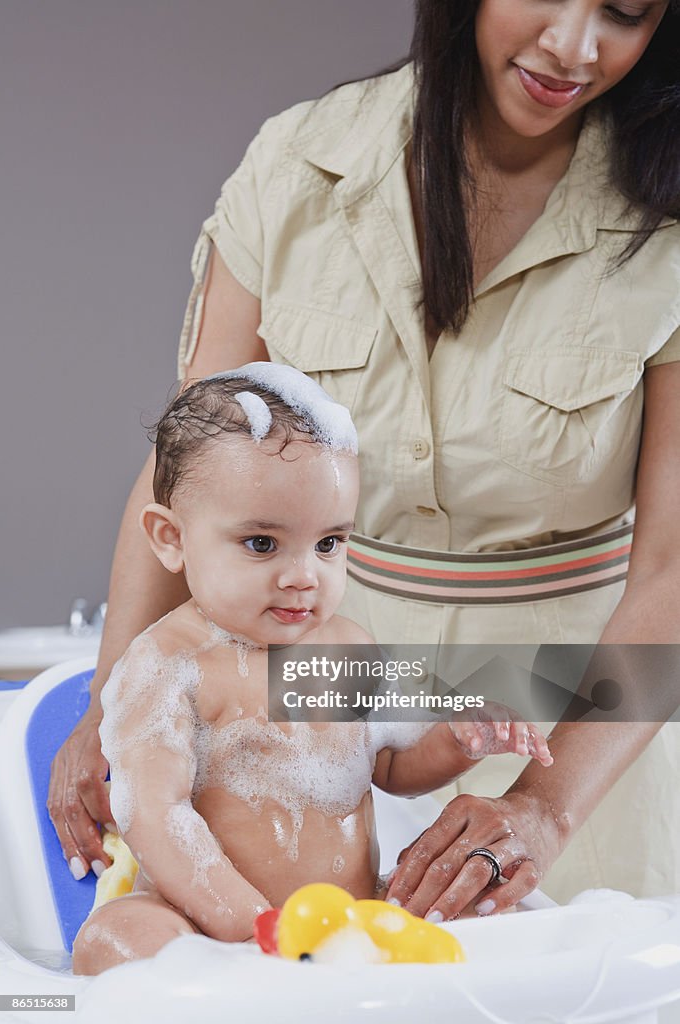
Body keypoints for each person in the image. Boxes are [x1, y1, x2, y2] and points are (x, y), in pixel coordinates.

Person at [49, 0, 680, 917]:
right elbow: (189, 475)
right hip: (315, 715)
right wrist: (110, 707)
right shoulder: (298, 167)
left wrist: (544, 807)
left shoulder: (663, 219)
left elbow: (670, 570)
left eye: (625, 13)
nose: (576, 48)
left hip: (580, 718)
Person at [71, 366, 553, 974]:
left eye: (328, 544)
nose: (304, 575)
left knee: (494, 916)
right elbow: (156, 813)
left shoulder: (341, 648)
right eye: (262, 544)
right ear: (172, 538)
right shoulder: (170, 666)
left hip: (345, 919)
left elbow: (393, 765)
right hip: (213, 926)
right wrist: (253, 927)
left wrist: (457, 742)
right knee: (118, 939)